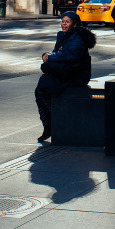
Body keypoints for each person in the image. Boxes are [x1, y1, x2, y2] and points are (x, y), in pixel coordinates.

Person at [35, 11, 96, 142]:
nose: (64, 24)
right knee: (40, 89)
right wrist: (48, 54)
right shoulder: (62, 35)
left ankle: (56, 120)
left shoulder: (79, 37)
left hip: (76, 74)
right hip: (65, 71)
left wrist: (52, 57)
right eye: (62, 21)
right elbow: (58, 52)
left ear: (74, 24)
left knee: (45, 86)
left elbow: (71, 55)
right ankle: (49, 125)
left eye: (67, 21)